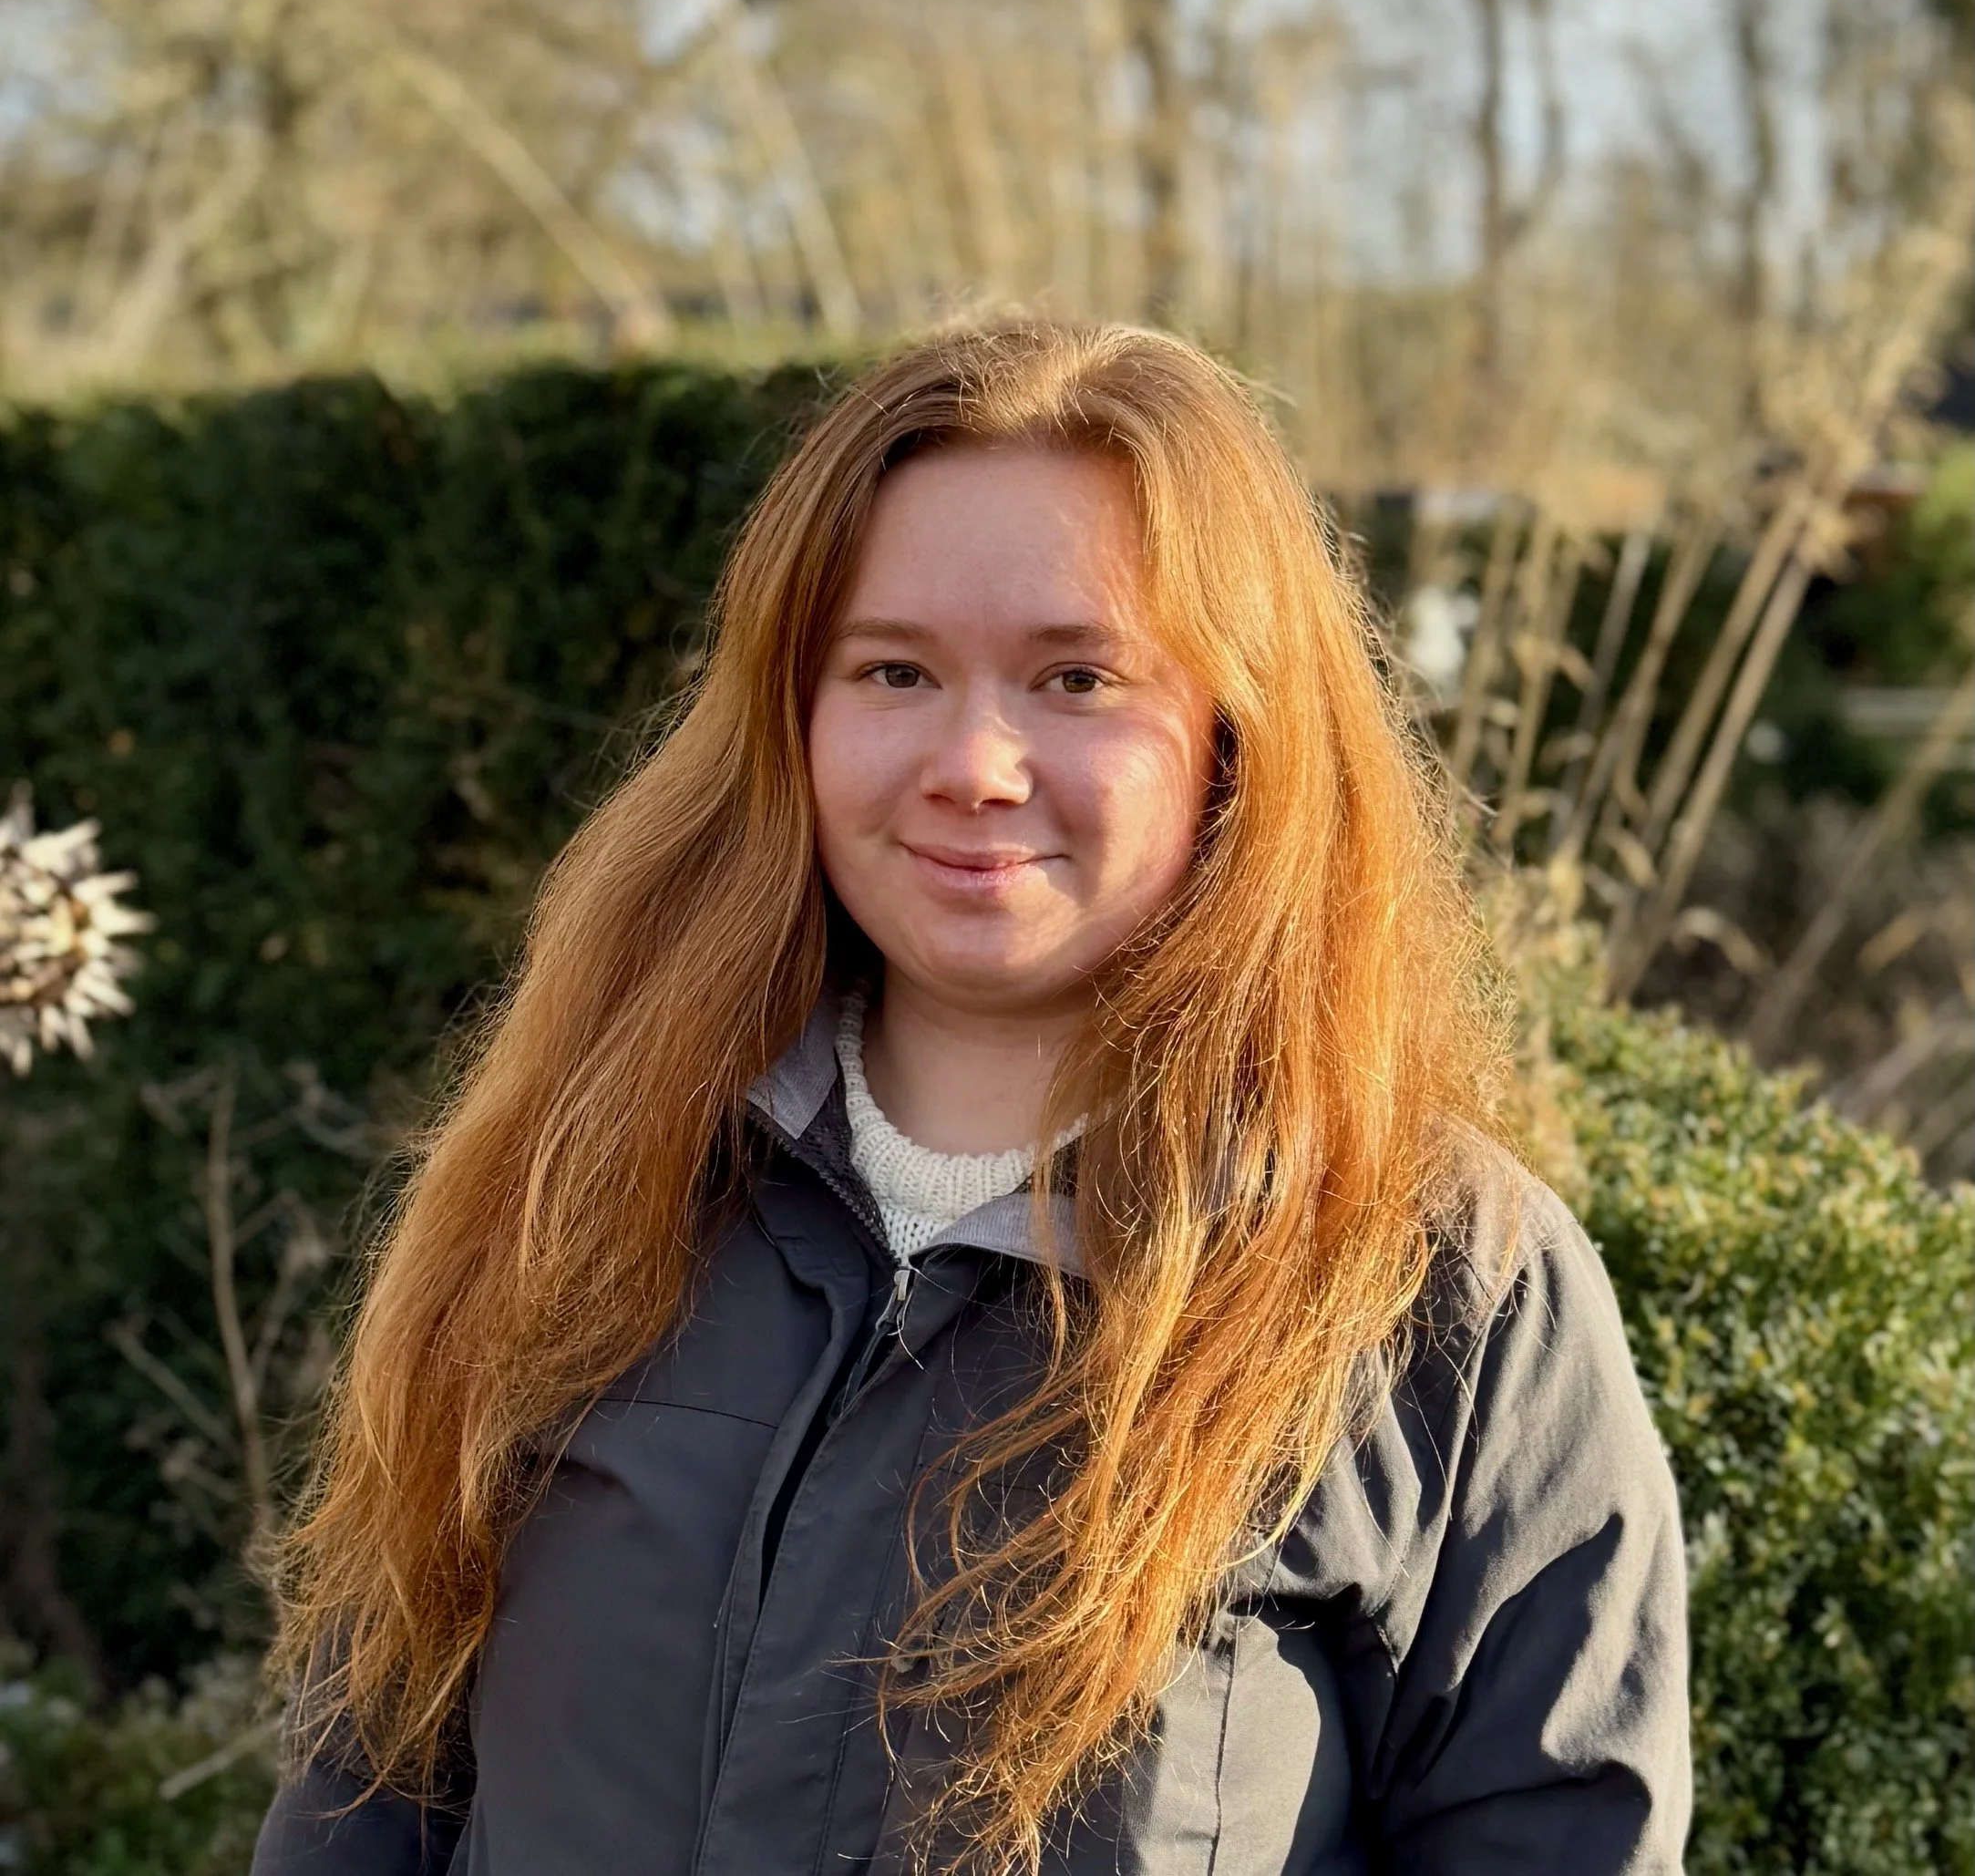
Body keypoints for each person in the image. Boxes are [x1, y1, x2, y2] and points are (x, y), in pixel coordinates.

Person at [253, 322, 1690, 1876]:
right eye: (894, 670)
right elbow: (367, 1788)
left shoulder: (1430, 1284)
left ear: (1233, 733)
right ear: (788, 714)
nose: (976, 761)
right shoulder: (582, 1181)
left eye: (1077, 677)